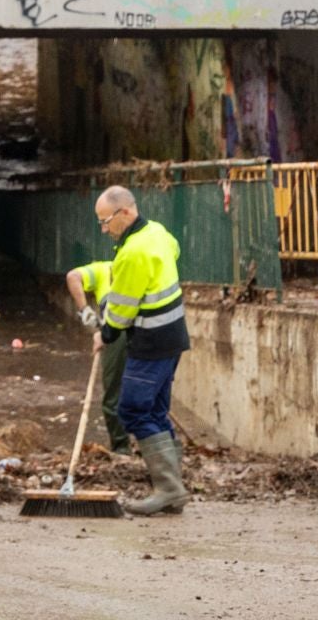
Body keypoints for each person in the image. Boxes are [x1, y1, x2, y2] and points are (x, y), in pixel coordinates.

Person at [94, 184, 190, 515]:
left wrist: (105, 333)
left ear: (125, 213)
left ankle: (168, 488)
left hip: (150, 341)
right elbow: (174, 253)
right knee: (155, 411)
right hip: (173, 335)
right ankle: (172, 491)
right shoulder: (158, 233)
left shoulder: (132, 252)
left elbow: (121, 313)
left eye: (106, 222)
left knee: (132, 410)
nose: (104, 230)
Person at [66, 259, 131, 455]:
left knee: (113, 397)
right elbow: (73, 277)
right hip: (148, 331)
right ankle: (154, 449)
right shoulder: (137, 266)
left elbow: (72, 276)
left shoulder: (104, 269)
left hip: (118, 335)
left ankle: (122, 449)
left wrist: (85, 311)